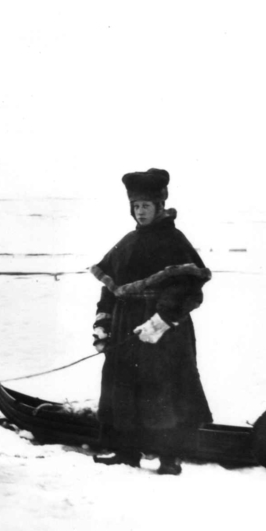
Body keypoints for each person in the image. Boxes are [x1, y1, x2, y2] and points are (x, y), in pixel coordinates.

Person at [89, 168, 212, 475]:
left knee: (165, 390)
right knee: (123, 386)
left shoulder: (174, 240)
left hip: (164, 333)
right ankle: (126, 451)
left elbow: (187, 288)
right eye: (136, 206)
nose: (140, 211)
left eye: (145, 205)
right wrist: (103, 323)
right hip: (126, 330)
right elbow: (110, 288)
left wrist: (160, 322)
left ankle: (169, 457)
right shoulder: (128, 242)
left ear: (159, 206)